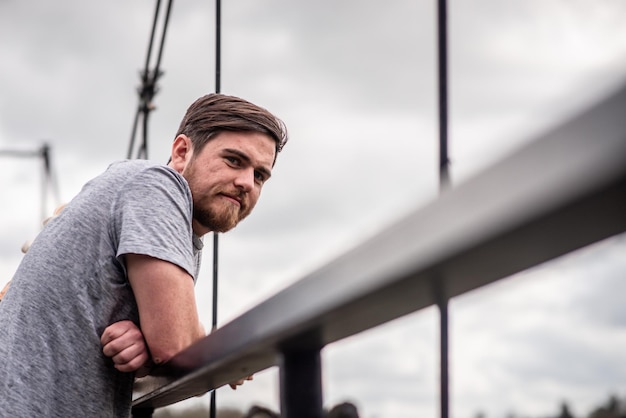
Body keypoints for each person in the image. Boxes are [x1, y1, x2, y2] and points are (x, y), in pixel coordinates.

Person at [0, 93, 288, 417]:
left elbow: (163, 344)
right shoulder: (157, 187)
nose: (246, 182)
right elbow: (176, 345)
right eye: (234, 160)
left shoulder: (141, 196)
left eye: (260, 175)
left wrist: (148, 349)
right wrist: (228, 352)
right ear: (181, 152)